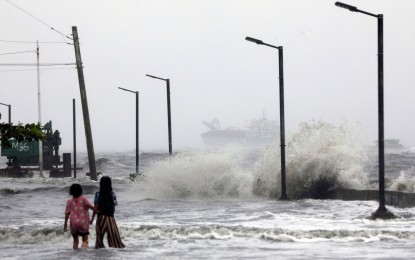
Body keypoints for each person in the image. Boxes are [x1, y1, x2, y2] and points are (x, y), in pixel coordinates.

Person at [90, 176, 125, 249]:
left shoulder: (97, 194)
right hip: (110, 218)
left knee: (99, 241)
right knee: (115, 240)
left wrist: (92, 219)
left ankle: (101, 254)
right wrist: (111, 216)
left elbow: (95, 208)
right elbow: (113, 208)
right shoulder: (112, 194)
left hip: (100, 218)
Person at [64, 183, 95, 250]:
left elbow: (67, 213)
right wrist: (92, 217)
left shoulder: (69, 201)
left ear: (71, 192)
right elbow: (92, 208)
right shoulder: (84, 199)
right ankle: (83, 255)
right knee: (85, 240)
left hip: (73, 223)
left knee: (75, 241)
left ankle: (75, 255)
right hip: (83, 222)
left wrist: (65, 223)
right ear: (80, 191)